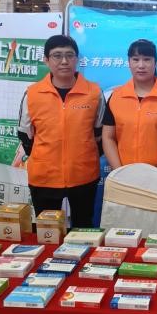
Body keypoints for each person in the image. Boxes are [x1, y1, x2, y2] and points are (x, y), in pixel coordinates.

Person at [18, 34, 105, 227]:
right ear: (46, 60)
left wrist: (83, 155)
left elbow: (100, 134)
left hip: (84, 175)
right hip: (44, 176)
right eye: (57, 55)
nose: (64, 61)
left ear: (77, 59)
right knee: (47, 231)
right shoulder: (32, 93)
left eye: (69, 55)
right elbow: (24, 134)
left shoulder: (94, 92)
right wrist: (45, 156)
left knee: (83, 227)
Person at [102, 38, 157, 178]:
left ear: (155, 63)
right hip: (124, 177)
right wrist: (119, 172)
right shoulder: (116, 96)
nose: (141, 65)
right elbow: (108, 137)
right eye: (135, 60)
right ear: (129, 63)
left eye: (147, 59)